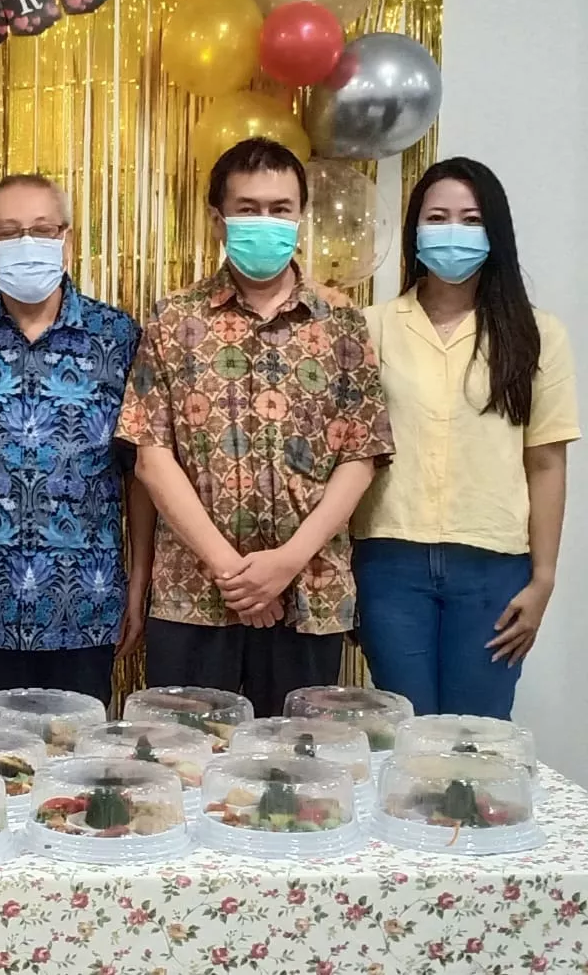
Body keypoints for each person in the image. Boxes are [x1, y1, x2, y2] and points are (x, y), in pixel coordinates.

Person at [116, 138, 393, 717]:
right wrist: (232, 572)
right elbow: (151, 457)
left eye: (279, 208)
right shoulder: (173, 318)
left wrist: (286, 563)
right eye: (248, 208)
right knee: (186, 757)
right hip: (193, 595)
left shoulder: (342, 322)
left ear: (300, 216)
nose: (265, 221)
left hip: (309, 593)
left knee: (295, 762)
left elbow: (361, 455)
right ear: (218, 220)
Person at [0, 175, 155, 719]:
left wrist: (139, 584)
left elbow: (139, 473)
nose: (27, 243)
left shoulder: (116, 337)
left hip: (86, 603)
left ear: (67, 239)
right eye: (9, 232)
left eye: (43, 230)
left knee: (77, 760)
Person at [352, 158, 577, 719]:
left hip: (493, 567)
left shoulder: (537, 333)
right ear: (415, 230)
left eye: (471, 220)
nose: (453, 232)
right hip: (389, 561)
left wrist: (544, 579)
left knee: (477, 738)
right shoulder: (369, 327)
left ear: (494, 231)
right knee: (404, 732)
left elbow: (546, 462)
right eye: (438, 218)